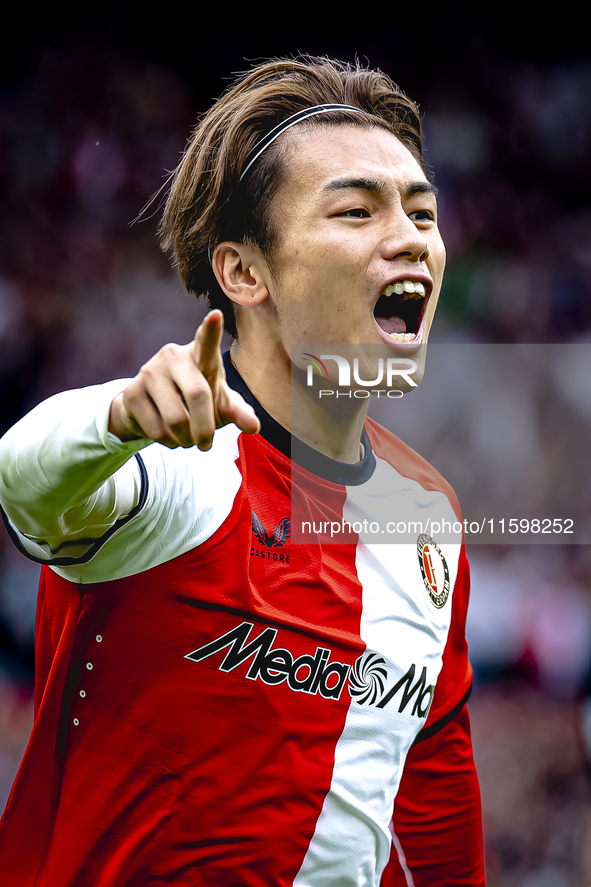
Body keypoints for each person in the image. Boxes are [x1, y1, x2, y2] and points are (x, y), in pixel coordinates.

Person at [0, 56, 485, 886]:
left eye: (421, 211)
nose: (409, 237)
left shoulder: (427, 516)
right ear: (245, 271)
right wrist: (116, 416)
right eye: (356, 211)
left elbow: (438, 823)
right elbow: (26, 475)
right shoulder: (171, 460)